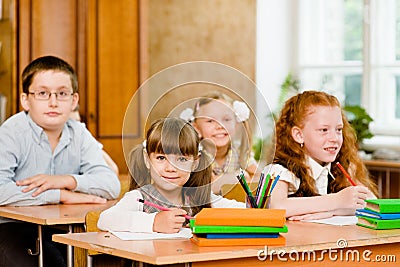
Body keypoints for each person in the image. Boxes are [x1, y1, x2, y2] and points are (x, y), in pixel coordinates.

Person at [0, 55, 120, 267]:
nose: (53, 102)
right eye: (43, 93)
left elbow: (111, 185)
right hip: (12, 227)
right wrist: (61, 195)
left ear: (74, 100)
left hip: (64, 227)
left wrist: (66, 180)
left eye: (62, 94)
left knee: (109, 257)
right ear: (25, 100)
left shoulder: (79, 133)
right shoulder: (11, 133)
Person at [97, 117, 245, 234]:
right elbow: (105, 220)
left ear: (195, 163)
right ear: (147, 159)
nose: (170, 168)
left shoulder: (198, 198)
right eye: (161, 158)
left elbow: (243, 210)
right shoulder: (139, 198)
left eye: (181, 159)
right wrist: (154, 222)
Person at [267, 90, 378, 220]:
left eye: (338, 130)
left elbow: (373, 205)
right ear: (299, 135)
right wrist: (336, 201)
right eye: (324, 130)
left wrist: (332, 212)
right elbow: (277, 207)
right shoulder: (282, 170)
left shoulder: (343, 166)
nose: (334, 138)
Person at [179, 91, 258, 195]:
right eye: (210, 121)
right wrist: (241, 177)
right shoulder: (197, 155)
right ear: (196, 128)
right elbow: (208, 188)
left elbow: (259, 178)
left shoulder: (240, 151)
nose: (220, 126)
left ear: (236, 125)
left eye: (226, 119)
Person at [70, 105, 119, 175]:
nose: (76, 127)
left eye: (78, 122)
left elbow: (113, 169)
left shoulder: (83, 136)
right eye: (70, 123)